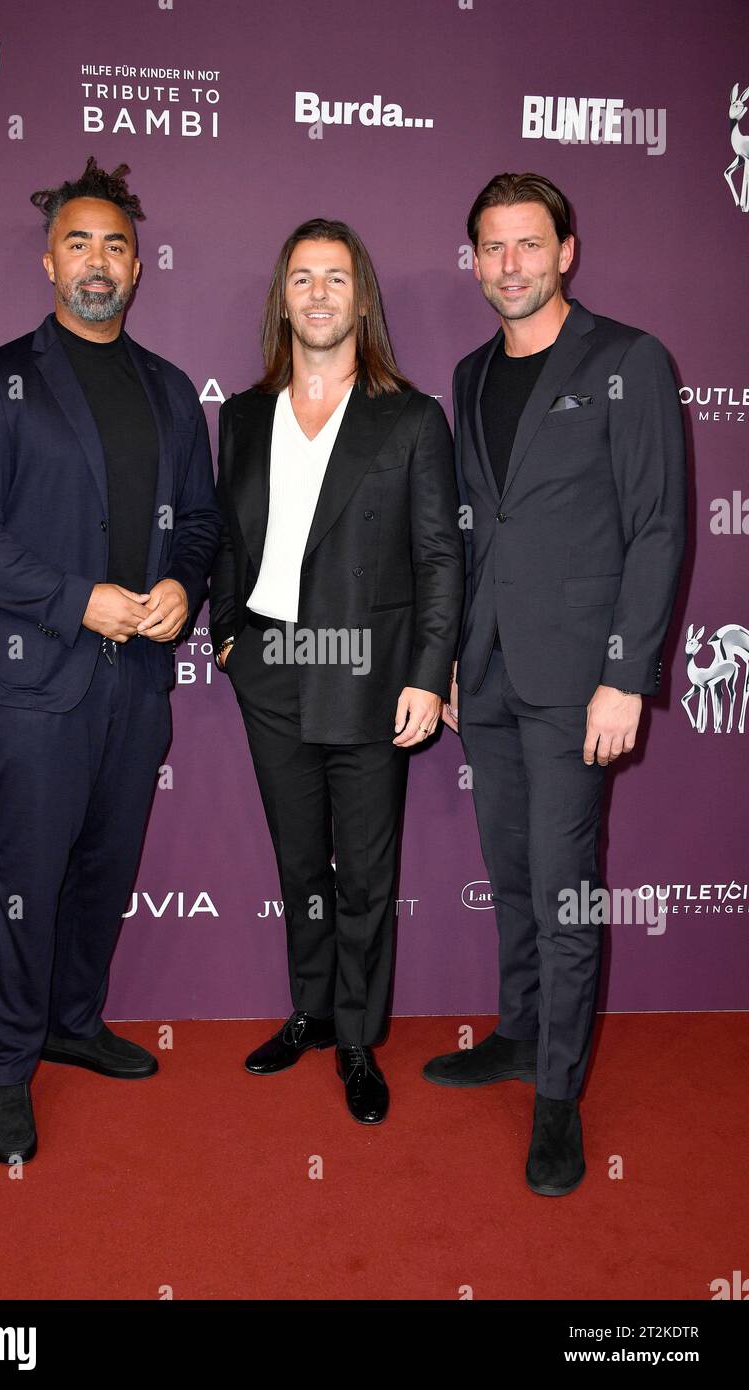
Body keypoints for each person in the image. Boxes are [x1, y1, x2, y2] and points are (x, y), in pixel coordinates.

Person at [0, 156, 221, 1163]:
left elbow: (200, 523)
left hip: (138, 680)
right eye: (77, 242)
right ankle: (7, 1068)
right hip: (34, 678)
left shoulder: (171, 390)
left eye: (114, 245)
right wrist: (75, 598)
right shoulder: (1, 379)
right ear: (51, 263)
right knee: (24, 876)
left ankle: (71, 1019)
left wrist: (186, 585)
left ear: (138, 267)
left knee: (103, 869)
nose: (96, 261)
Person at [424, 172, 685, 1195]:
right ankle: (525, 1033)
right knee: (518, 875)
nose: (510, 266)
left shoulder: (629, 360)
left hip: (581, 681)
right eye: (491, 248)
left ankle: (559, 1099)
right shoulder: (469, 372)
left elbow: (658, 528)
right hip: (487, 672)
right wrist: (449, 654)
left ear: (567, 250)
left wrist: (627, 676)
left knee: (567, 886)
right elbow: (473, 528)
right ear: (474, 261)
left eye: (529, 245)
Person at [210, 218, 463, 1124]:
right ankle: (311, 1012)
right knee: (296, 863)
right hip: (270, 662)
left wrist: (429, 674)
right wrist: (228, 636)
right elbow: (228, 541)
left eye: (337, 278)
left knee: (363, 870)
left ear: (363, 299)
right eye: (303, 277)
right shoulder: (242, 415)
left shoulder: (410, 416)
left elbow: (441, 558)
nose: (319, 293)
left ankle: (356, 1036)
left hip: (366, 667)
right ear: (284, 296)